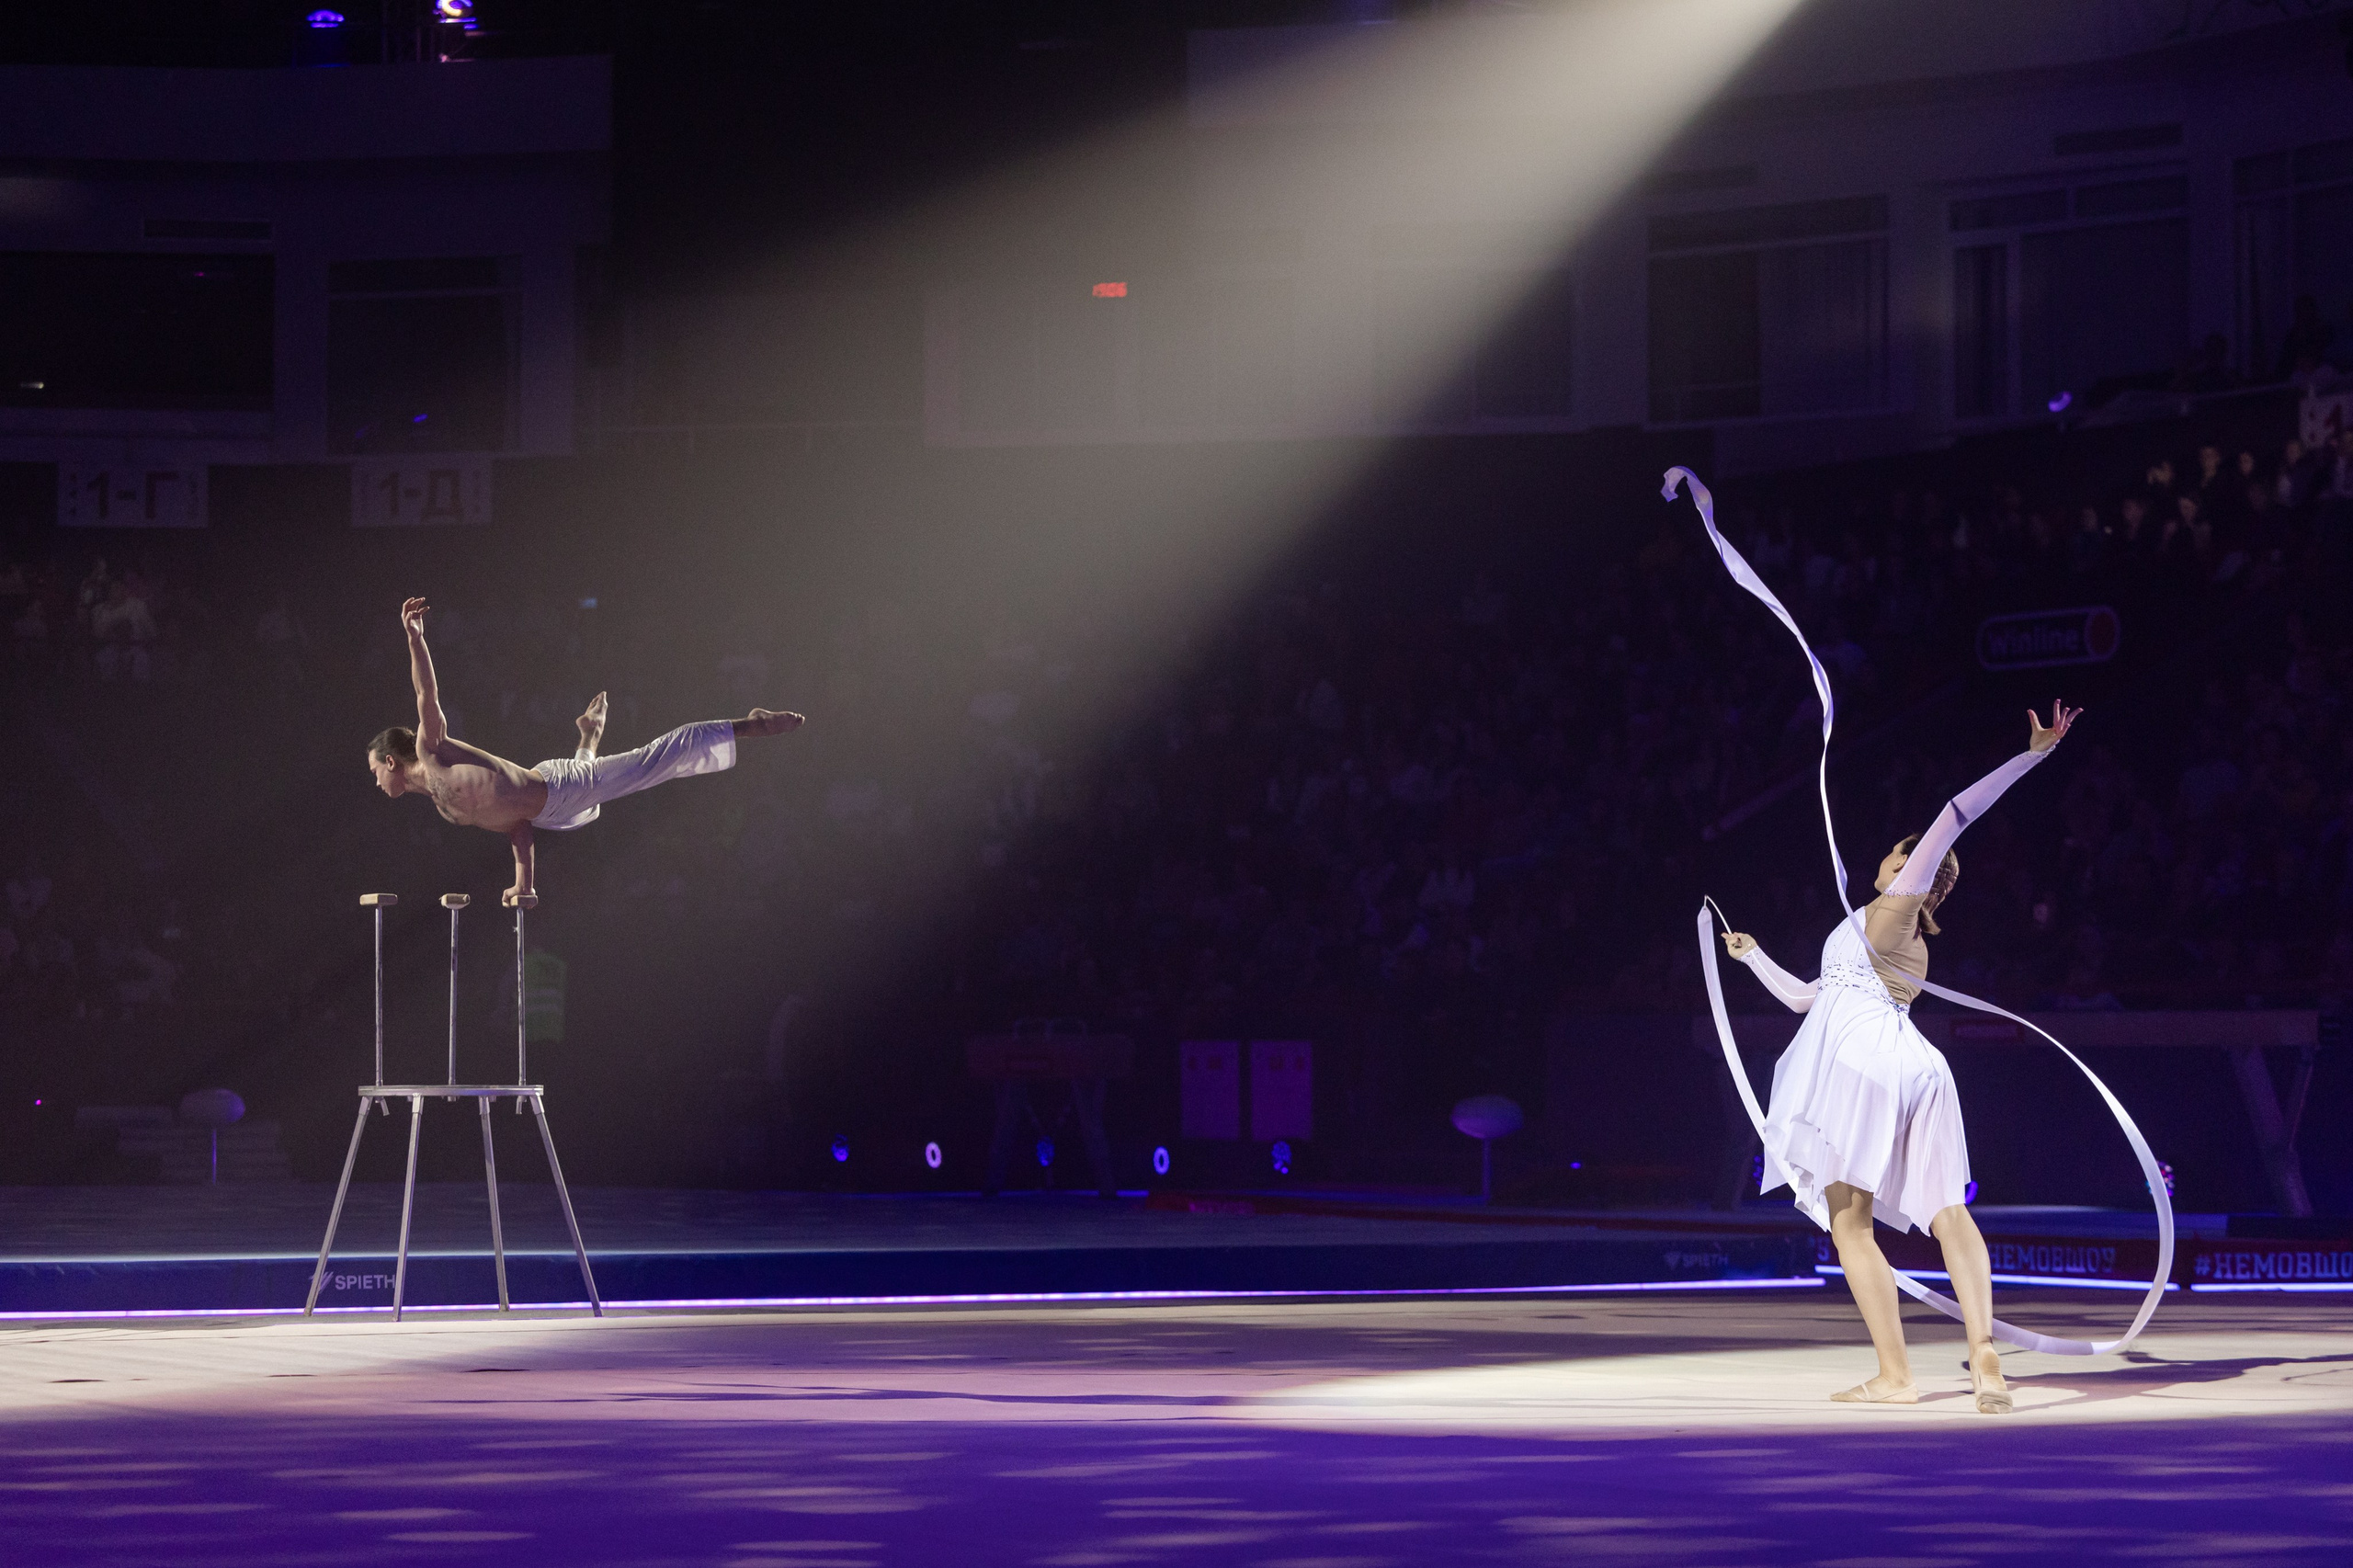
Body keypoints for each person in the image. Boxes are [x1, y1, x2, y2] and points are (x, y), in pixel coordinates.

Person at [1716, 700, 2079, 1415]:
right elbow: (1804, 1002)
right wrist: (1753, 956)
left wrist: (2034, 756)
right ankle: (1984, 1355)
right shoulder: (1883, 937)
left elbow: (1953, 812)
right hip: (1921, 1068)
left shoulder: (1893, 910)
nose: (1889, 858)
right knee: (1951, 1213)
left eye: (1901, 854)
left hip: (1866, 1064)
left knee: (1850, 1226)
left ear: (1915, 869)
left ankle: (1895, 1375)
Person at [368, 597, 803, 904]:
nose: (376, 781)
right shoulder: (447, 809)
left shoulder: (430, 751)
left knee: (656, 760)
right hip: (552, 815)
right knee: (590, 802)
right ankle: (590, 735)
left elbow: (427, 693)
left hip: (557, 785)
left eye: (375, 770)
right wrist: (523, 885)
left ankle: (750, 723)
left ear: (392, 761)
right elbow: (517, 826)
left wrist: (414, 638)